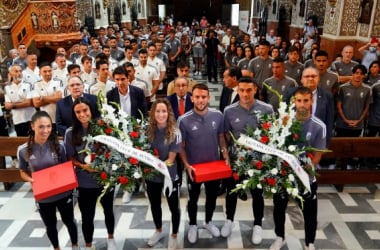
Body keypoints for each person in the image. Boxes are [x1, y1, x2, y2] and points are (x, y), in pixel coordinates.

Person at [269, 87, 326, 250]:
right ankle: (280, 237)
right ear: (294, 101)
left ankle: (310, 243)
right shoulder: (283, 121)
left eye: (306, 100)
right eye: (299, 100)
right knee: (279, 208)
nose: (302, 104)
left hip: (305, 177)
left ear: (311, 101)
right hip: (284, 175)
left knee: (309, 213)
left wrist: (306, 169)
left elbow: (318, 154)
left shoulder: (318, 126)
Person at [18, 111, 78, 250]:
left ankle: (75, 245)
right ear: (32, 126)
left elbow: (67, 167)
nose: (45, 130)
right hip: (43, 196)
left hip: (63, 193)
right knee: (50, 225)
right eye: (41, 127)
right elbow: (22, 171)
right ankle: (56, 247)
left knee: (69, 220)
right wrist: (31, 179)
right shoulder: (23, 150)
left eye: (48, 126)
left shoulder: (60, 145)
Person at [223, 77, 274, 242]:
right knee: (232, 192)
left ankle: (258, 225)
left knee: (257, 194)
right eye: (242, 90)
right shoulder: (229, 111)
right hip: (236, 160)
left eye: (248, 90)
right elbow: (224, 135)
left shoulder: (267, 109)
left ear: (255, 90)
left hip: (257, 162)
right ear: (237, 90)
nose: (245, 94)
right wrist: (225, 155)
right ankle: (229, 220)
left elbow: (272, 135)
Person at [178, 83, 229, 244]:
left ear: (209, 98)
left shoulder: (218, 116)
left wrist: (225, 154)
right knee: (193, 199)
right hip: (194, 169)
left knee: (212, 197)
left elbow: (221, 137)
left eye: (204, 97)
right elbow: (181, 146)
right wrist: (186, 165)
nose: (200, 100)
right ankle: (193, 224)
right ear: (192, 98)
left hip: (214, 167)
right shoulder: (183, 120)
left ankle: (208, 221)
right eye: (197, 97)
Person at [64, 98, 117, 250]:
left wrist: (103, 164)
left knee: (108, 210)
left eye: (85, 110)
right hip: (84, 181)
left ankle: (111, 237)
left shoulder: (104, 127)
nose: (82, 114)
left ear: (91, 110)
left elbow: (113, 150)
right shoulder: (70, 133)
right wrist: (84, 166)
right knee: (87, 216)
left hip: (104, 178)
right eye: (78, 112)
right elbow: (70, 158)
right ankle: (88, 244)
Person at [145, 98, 182, 250]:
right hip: (152, 176)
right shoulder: (146, 130)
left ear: (169, 113)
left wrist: (155, 164)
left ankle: (174, 234)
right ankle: (158, 230)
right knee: (154, 205)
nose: (161, 114)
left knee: (174, 206)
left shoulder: (175, 132)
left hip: (169, 175)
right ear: (153, 113)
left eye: (164, 111)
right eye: (158, 111)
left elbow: (171, 159)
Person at [4, 64, 35, 136]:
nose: (19, 73)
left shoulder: (28, 85)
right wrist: (22, 103)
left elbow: (29, 103)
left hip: (31, 118)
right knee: (22, 142)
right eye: (16, 71)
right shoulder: (7, 88)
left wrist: (13, 105)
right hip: (18, 120)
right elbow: (7, 106)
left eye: (20, 71)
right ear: (10, 74)